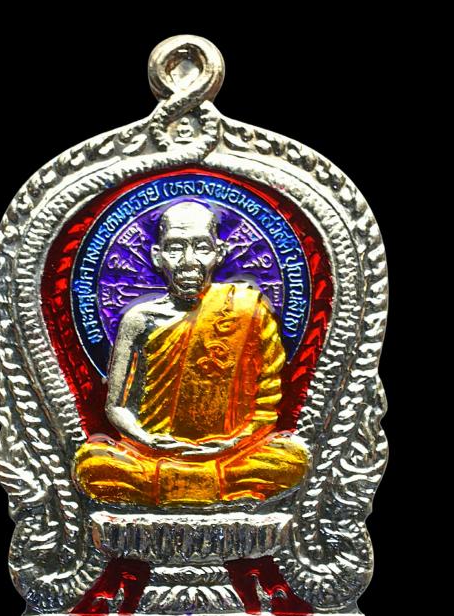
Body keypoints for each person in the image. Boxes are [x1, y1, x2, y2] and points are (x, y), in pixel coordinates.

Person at [73, 200, 309, 507]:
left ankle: (174, 488)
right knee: (92, 464)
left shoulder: (246, 310)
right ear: (157, 256)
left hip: (229, 455)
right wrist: (148, 441)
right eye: (175, 248)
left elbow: (265, 405)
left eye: (201, 247)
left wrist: (229, 445)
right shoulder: (138, 319)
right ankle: (209, 487)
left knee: (290, 459)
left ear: (219, 253)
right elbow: (116, 407)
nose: (189, 261)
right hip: (152, 455)